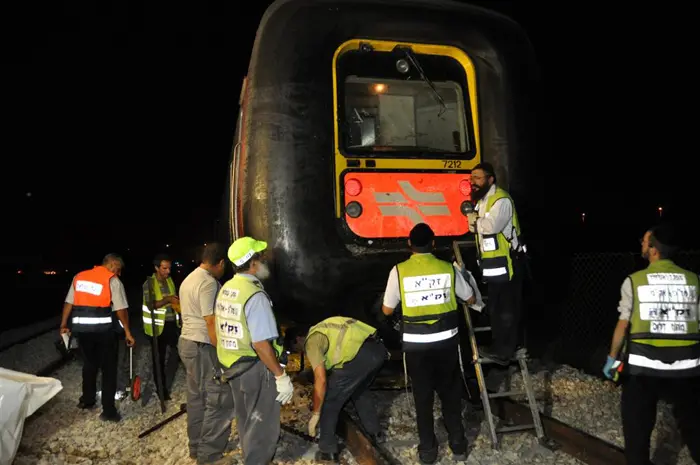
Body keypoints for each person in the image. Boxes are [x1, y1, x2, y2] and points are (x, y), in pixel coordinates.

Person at [603, 225, 700, 465]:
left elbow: (623, 326)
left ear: (654, 250)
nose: (642, 245)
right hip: (687, 369)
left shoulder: (634, 282)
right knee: (694, 426)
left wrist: (612, 359)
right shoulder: (694, 281)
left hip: (643, 369)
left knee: (637, 430)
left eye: (645, 241)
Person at [381, 223, 475, 465]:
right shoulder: (446, 269)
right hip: (445, 345)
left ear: (409, 245)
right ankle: (458, 446)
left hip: (416, 348)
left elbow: (387, 309)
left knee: (423, 399)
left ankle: (428, 451)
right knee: (451, 395)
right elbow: (470, 297)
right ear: (433, 244)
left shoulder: (399, 271)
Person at [206, 236, 294, 465]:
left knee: (246, 419)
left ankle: (249, 456)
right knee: (262, 424)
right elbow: (261, 343)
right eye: (260, 256)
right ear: (253, 263)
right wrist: (280, 375)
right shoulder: (254, 295)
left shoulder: (227, 288)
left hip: (233, 367)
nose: (264, 260)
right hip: (254, 369)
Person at [285, 317, 388, 463]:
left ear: (298, 339)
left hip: (357, 358)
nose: (301, 351)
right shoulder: (324, 327)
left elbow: (321, 380)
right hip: (378, 351)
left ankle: (328, 450)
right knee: (359, 391)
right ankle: (376, 433)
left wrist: (316, 413)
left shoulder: (312, 341)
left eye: (296, 349)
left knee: (328, 402)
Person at [59, 253, 135, 422]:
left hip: (83, 332)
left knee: (89, 364)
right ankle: (108, 411)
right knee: (109, 370)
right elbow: (121, 309)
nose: (119, 273)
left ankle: (87, 400)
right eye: (119, 269)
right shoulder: (111, 280)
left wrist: (63, 324)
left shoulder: (79, 277)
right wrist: (128, 332)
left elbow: (68, 302)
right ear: (113, 264)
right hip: (104, 332)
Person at [468, 162, 526, 365]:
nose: (472, 182)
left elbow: (490, 226)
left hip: (508, 263)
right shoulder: (482, 201)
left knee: (507, 308)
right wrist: (476, 222)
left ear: (490, 179)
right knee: (497, 308)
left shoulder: (501, 200)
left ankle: (507, 350)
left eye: (477, 177)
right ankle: (499, 347)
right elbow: (475, 228)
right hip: (493, 264)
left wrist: (475, 221)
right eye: (471, 177)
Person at [177, 243, 229, 463]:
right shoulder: (208, 283)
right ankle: (210, 455)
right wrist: (223, 353)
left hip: (187, 343)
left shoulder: (189, 279)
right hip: (202, 346)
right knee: (217, 399)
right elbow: (210, 321)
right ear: (220, 263)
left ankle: (195, 447)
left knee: (196, 398)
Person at [142, 253, 181, 400]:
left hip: (172, 324)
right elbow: (151, 304)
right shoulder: (149, 284)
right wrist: (167, 299)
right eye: (164, 268)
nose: (168, 271)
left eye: (169, 268)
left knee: (178, 353)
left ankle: (173, 380)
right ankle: (161, 390)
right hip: (157, 328)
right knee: (158, 360)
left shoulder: (170, 281)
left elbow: (173, 301)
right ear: (156, 267)